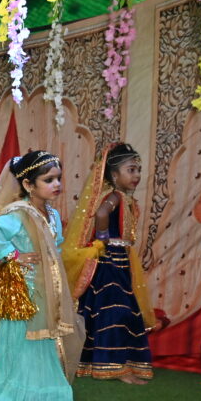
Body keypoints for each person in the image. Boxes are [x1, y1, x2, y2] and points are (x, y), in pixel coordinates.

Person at [0, 150, 85, 401]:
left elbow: (53, 247)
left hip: (47, 290)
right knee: (24, 340)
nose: (56, 184)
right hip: (26, 291)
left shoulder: (52, 214)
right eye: (49, 180)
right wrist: (14, 256)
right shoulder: (19, 213)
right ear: (28, 185)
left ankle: (45, 392)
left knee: (45, 338)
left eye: (58, 178)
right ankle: (16, 392)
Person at [64, 143, 157, 384]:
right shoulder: (114, 196)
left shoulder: (124, 198)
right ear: (114, 175)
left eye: (138, 170)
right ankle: (114, 367)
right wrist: (103, 241)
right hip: (110, 261)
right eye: (131, 170)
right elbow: (101, 214)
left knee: (113, 310)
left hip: (120, 260)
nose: (136, 175)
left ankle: (102, 364)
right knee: (114, 312)